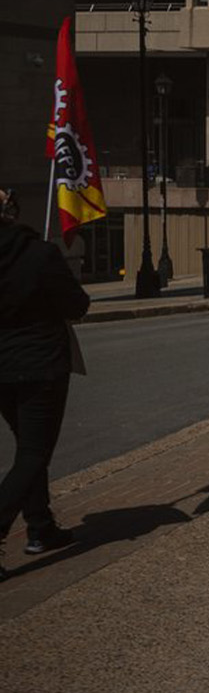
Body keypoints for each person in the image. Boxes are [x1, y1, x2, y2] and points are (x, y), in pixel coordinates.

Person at [0, 185, 88, 577]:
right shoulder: (40, 254)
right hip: (40, 365)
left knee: (27, 450)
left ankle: (40, 527)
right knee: (34, 453)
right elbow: (77, 304)